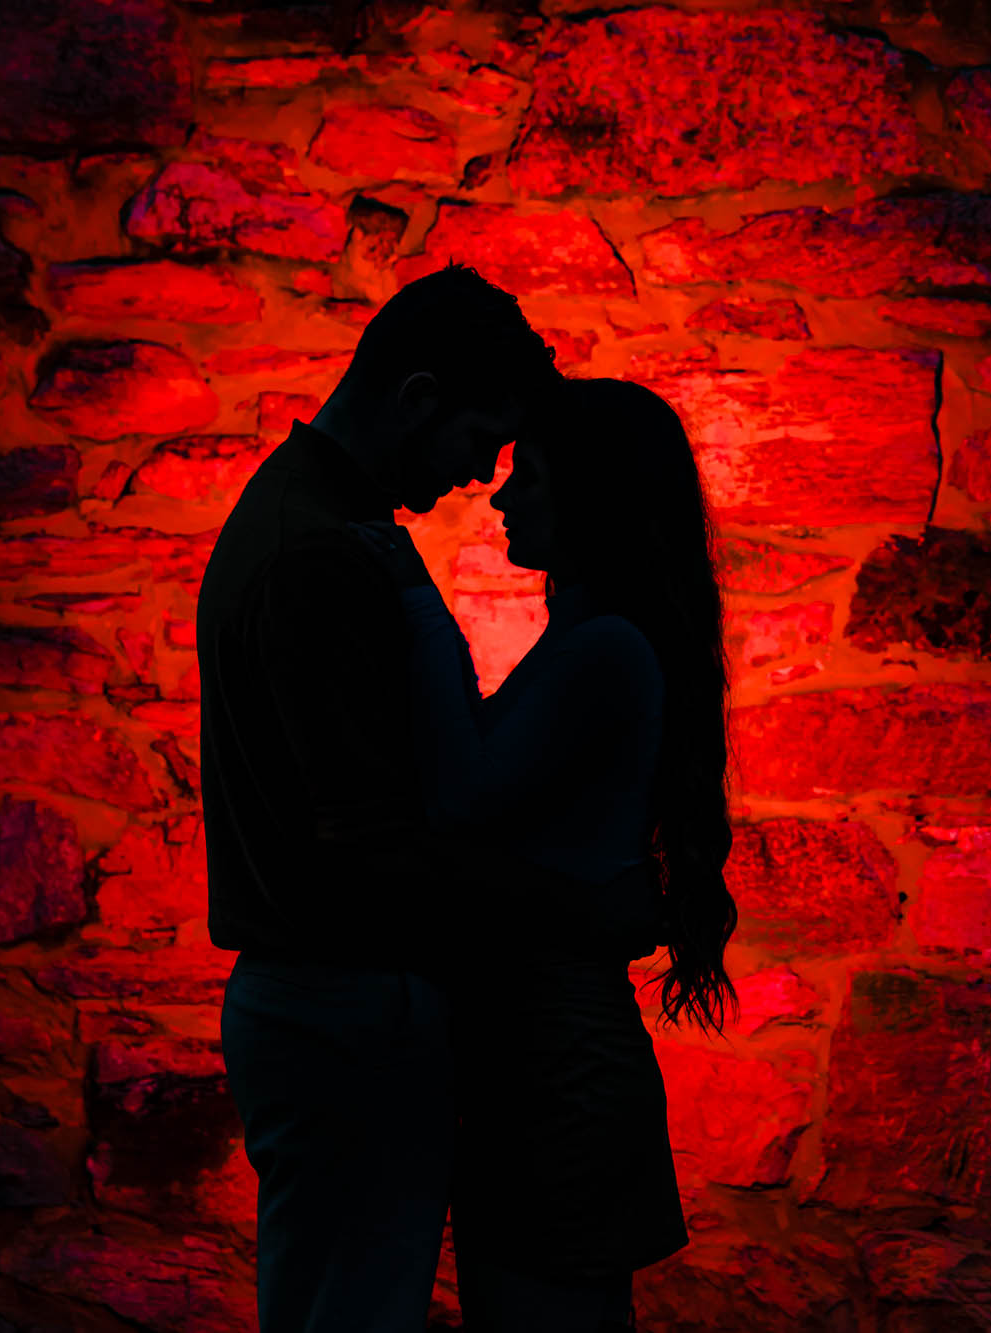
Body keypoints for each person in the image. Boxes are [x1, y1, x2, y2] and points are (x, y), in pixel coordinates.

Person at [199, 263, 660, 1332]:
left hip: (334, 1001)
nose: (474, 479)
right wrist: (582, 909)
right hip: (347, 999)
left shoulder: (310, 527)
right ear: (414, 400)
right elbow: (378, 844)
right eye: (474, 442)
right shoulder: (327, 555)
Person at [350, 377, 740, 1331]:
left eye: (532, 476)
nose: (503, 495)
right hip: (539, 1059)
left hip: (554, 1069)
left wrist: (413, 600)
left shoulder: (603, 649)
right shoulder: (590, 644)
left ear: (590, 496)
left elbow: (460, 796)